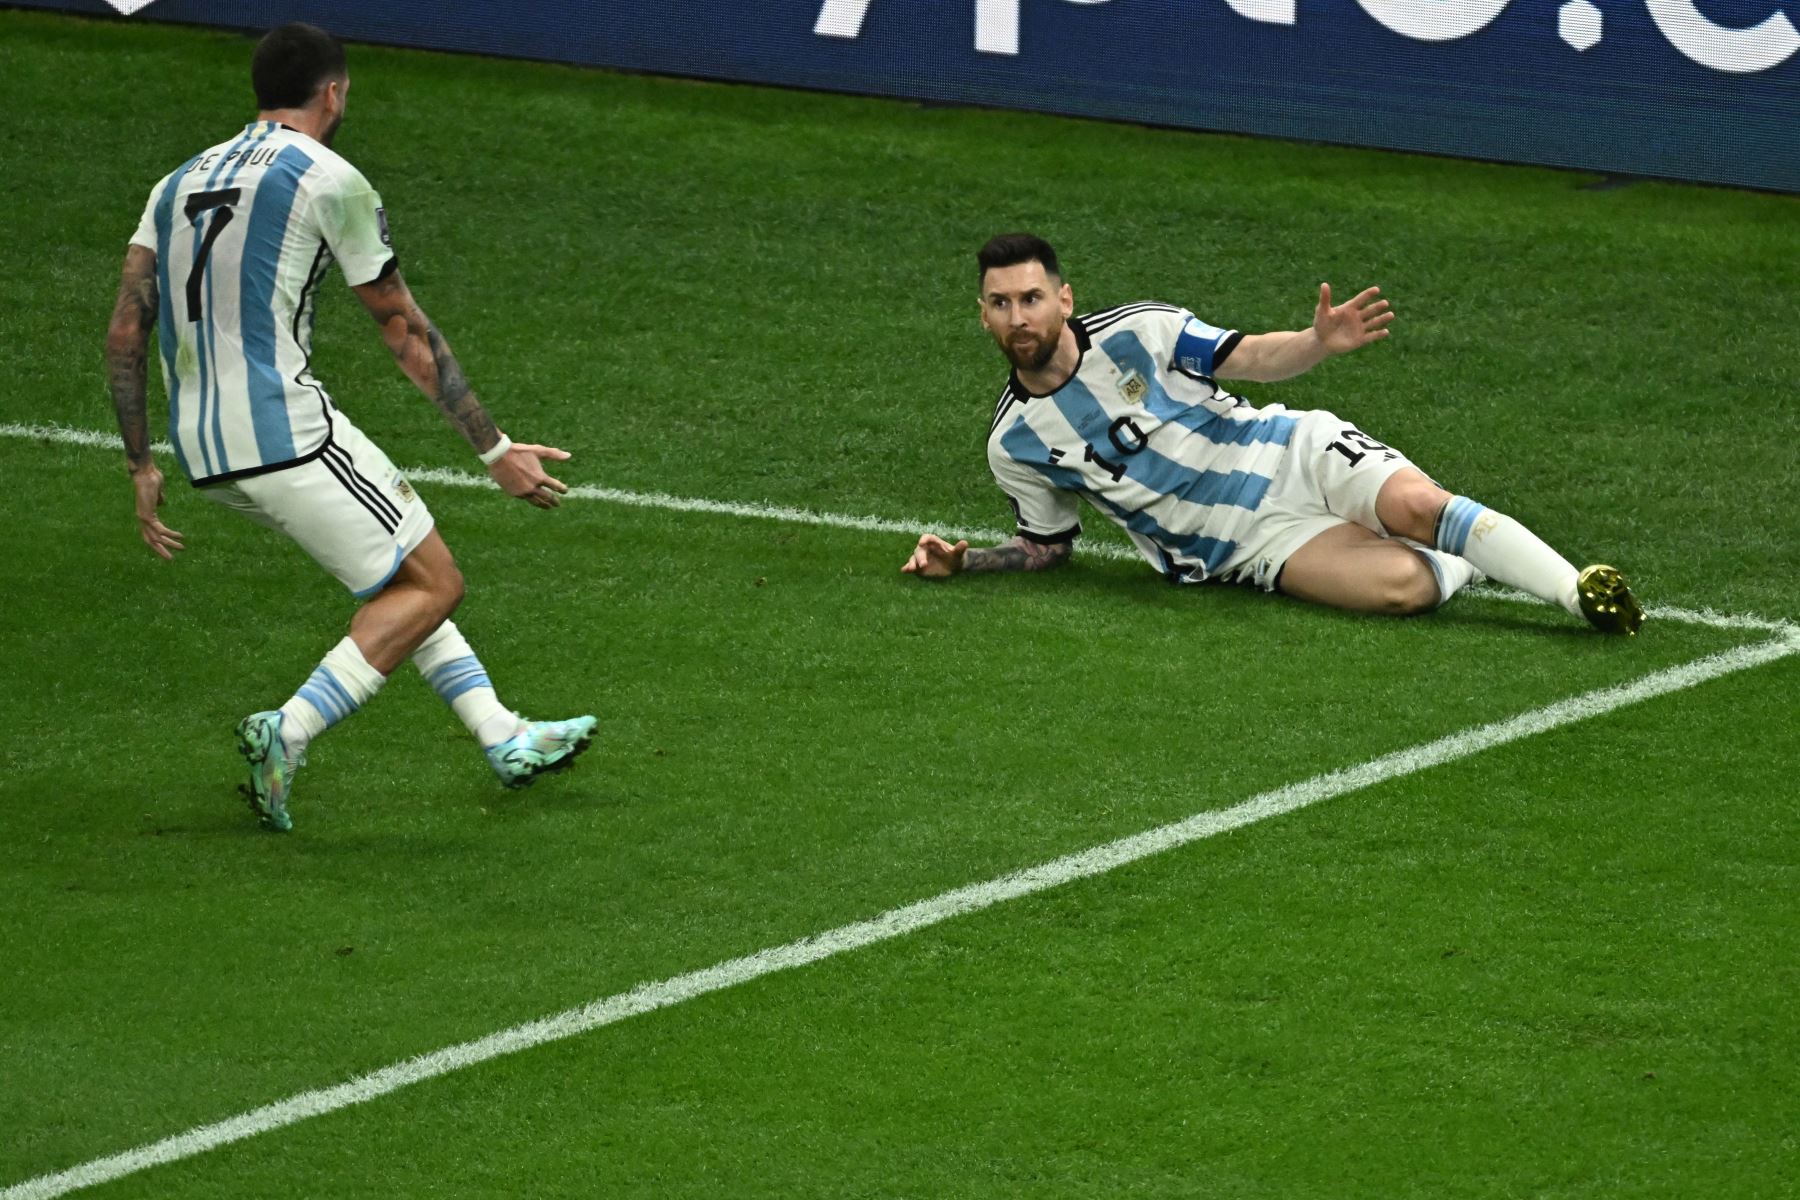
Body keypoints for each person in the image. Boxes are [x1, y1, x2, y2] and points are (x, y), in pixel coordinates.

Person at [104, 23, 596, 832]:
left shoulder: (174, 183)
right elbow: (402, 328)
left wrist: (138, 464)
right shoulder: (329, 178)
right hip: (286, 432)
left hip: (202, 448)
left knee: (393, 579)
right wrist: (495, 449)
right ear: (332, 92)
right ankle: (288, 730)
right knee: (435, 582)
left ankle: (504, 736)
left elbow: (128, 329)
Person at [902, 233, 1643, 635]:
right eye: (1001, 303)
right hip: (1244, 548)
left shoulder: (1144, 331)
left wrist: (1318, 343)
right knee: (1404, 589)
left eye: (1032, 297)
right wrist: (965, 565)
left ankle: (1576, 591)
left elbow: (1251, 356)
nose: (1019, 316)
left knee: (1422, 508)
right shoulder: (1015, 443)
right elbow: (1047, 548)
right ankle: (1469, 560)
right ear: (983, 314)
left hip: (1291, 452)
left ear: (1064, 298)